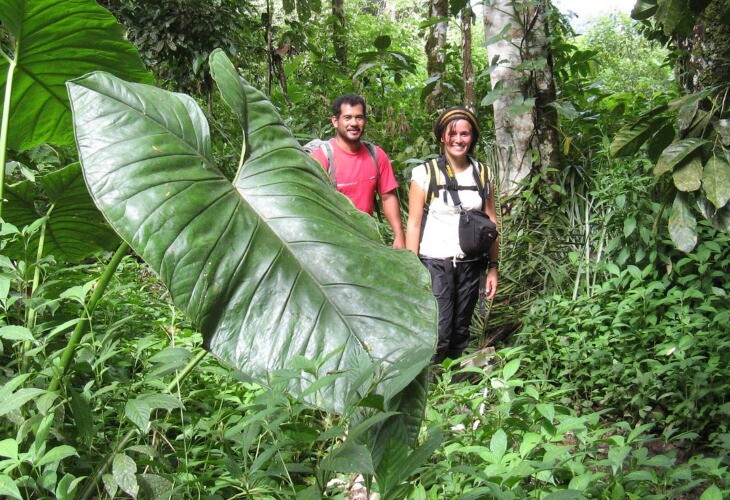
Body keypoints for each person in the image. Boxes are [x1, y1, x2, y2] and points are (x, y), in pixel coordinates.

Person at [405, 107, 499, 364]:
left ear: (473, 137)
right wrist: (412, 269)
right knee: (439, 332)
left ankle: (454, 390)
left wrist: (493, 267)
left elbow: (491, 222)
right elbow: (413, 223)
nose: (458, 140)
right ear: (442, 137)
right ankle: (430, 389)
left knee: (460, 332)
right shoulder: (425, 174)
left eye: (465, 134)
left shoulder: (483, 173)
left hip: (470, 265)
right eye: (452, 134)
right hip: (435, 263)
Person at [311, 94, 405, 249]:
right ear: (335, 121)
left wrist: (399, 236)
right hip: (330, 242)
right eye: (347, 117)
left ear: (365, 121)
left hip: (366, 241)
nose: (354, 123)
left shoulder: (376, 155)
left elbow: (388, 197)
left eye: (359, 117)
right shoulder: (322, 158)